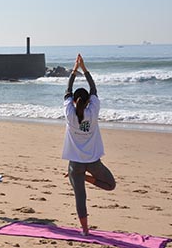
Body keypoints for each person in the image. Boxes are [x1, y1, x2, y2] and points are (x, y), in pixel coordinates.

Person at [63, 54, 116, 236]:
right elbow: (93, 88)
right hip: (93, 161)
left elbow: (67, 90)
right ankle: (83, 177)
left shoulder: (69, 113)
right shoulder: (93, 111)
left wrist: (74, 70)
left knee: (80, 197)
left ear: (73, 101)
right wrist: (84, 69)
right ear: (87, 102)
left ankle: (85, 230)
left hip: (75, 164)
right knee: (110, 185)